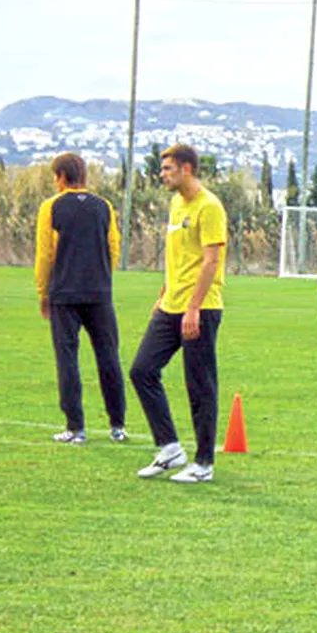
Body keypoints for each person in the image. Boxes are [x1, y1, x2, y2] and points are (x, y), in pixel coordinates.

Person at [130, 144, 228, 484]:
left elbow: (211, 262)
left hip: (200, 308)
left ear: (187, 169)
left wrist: (193, 308)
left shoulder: (210, 207)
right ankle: (170, 448)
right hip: (170, 305)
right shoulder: (175, 204)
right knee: (142, 370)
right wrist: (163, 295)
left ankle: (203, 463)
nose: (162, 174)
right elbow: (177, 257)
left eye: (168, 168)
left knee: (199, 384)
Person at [34, 152, 127, 444]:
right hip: (100, 293)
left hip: (64, 293)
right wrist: (102, 276)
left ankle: (76, 428)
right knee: (109, 356)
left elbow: (45, 254)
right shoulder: (104, 206)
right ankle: (118, 426)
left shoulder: (51, 207)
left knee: (68, 359)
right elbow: (114, 247)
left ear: (61, 176)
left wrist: (43, 291)